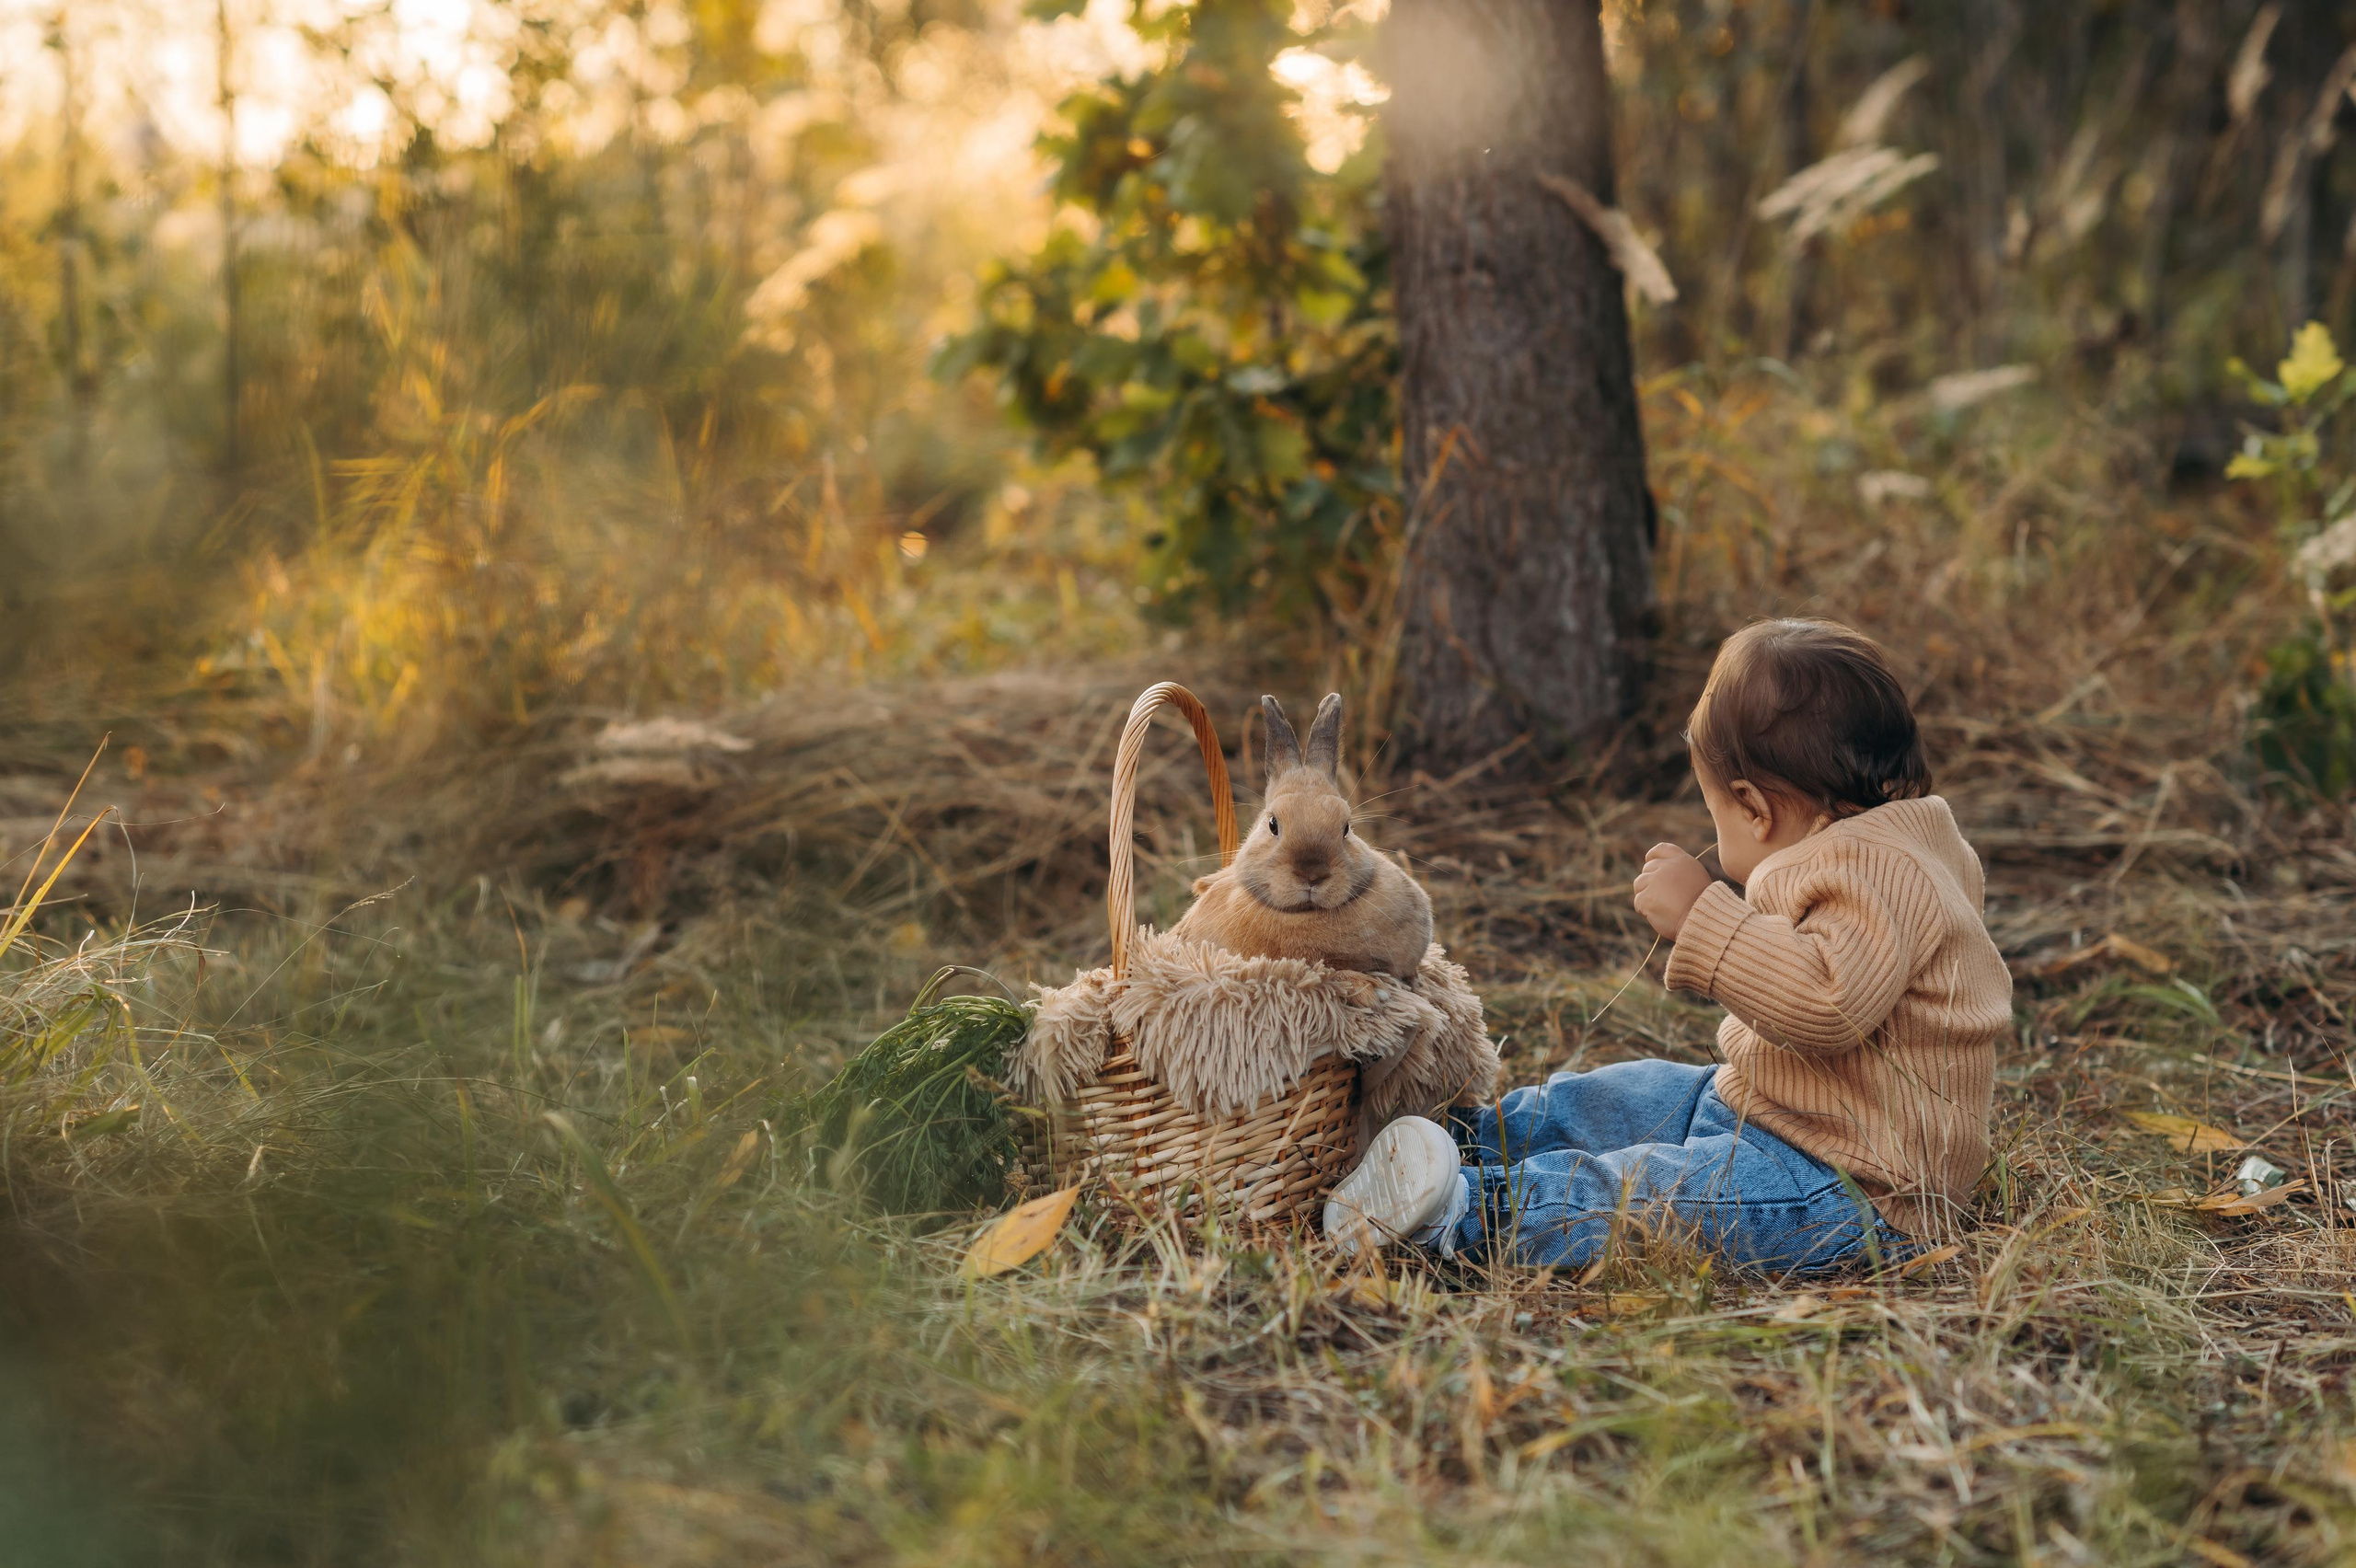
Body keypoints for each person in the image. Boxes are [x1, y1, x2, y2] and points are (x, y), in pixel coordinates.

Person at [1323, 618, 2013, 1273]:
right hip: (1770, 1111)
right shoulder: (1897, 846)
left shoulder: (1879, 871)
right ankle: (1460, 1138)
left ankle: (1462, 1213)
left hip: (1851, 1189)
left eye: (1718, 813)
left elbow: (1830, 1003)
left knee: (1647, 1191)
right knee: (1623, 1097)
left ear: (1754, 807)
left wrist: (1703, 918)